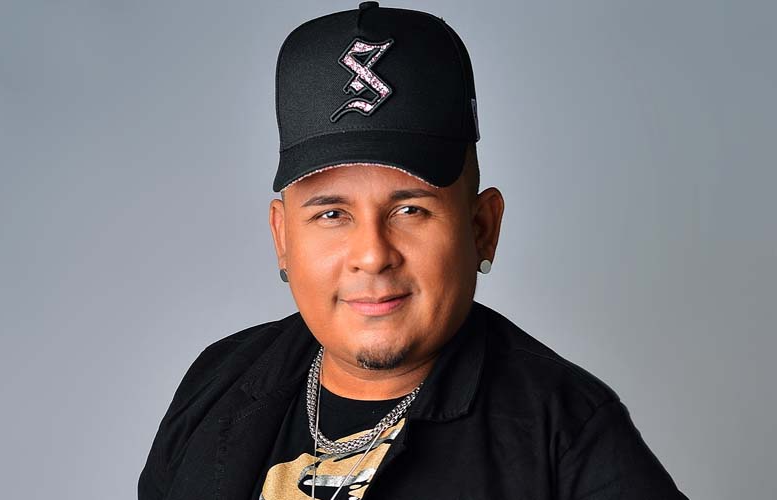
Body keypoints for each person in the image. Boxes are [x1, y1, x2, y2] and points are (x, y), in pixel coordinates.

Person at [138, 2, 689, 499]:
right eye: (332, 214)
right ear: (282, 238)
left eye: (410, 211)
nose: (373, 254)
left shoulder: (566, 432)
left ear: (482, 227)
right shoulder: (217, 383)